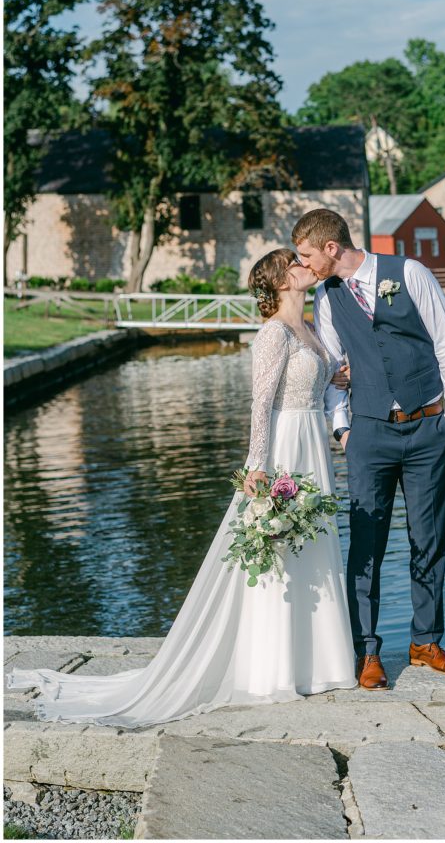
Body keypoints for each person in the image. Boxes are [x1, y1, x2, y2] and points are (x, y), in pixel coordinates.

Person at [5, 248, 357, 727]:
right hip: (284, 448)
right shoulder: (273, 333)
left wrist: (338, 375)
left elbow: (314, 382)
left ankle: (319, 662)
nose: (303, 267)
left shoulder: (308, 329)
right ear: (280, 280)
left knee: (311, 544)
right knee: (277, 549)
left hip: (312, 444)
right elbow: (260, 404)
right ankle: (274, 667)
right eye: (294, 263)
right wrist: (256, 466)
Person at [292, 208, 445, 690]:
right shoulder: (327, 297)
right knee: (366, 542)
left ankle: (425, 642)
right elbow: (332, 369)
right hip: (368, 434)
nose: (304, 265)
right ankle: (366, 650)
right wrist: (343, 428)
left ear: (331, 248)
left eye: (306, 255)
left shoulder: (409, 273)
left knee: (429, 537)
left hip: (428, 428)